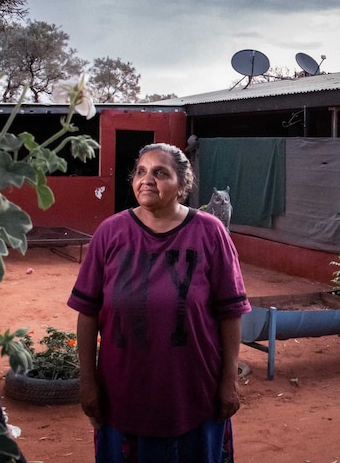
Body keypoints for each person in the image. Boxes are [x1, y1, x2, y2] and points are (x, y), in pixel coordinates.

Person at [67, 143, 251, 463]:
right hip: (122, 397)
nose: (146, 179)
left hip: (195, 396)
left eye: (160, 173)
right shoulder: (110, 233)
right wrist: (87, 383)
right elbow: (88, 313)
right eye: (140, 171)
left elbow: (230, 313)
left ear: (182, 185)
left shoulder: (210, 233)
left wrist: (229, 382)